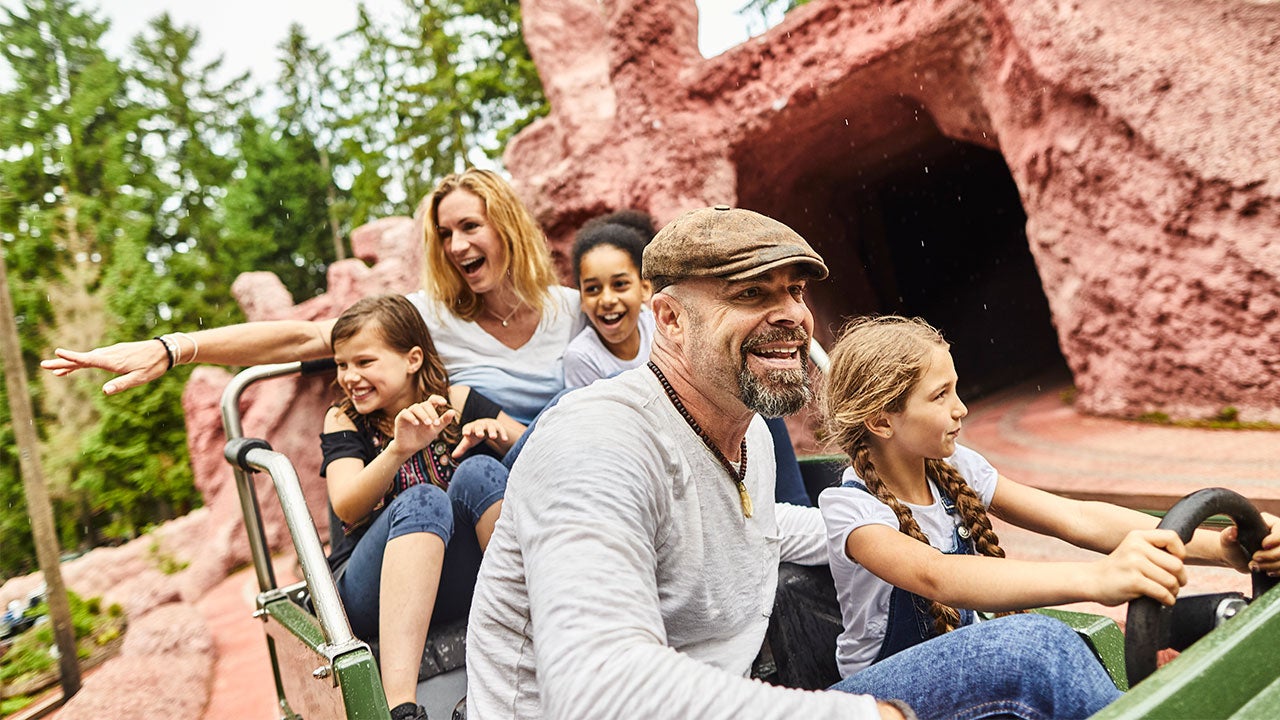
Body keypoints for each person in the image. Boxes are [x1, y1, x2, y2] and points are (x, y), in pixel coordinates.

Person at [465, 205, 1124, 719]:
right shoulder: (596, 438)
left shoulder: (746, 439)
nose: (791, 317)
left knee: (1057, 644)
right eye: (752, 295)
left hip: (736, 692)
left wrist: (888, 530)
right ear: (668, 320)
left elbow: (761, 531)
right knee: (1032, 657)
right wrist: (867, 715)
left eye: (795, 292)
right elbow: (599, 695)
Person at [816, 315, 1280, 680]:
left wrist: (1217, 548)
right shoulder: (852, 512)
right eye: (940, 396)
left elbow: (1076, 519)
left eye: (956, 388)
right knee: (1039, 644)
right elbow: (936, 576)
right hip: (886, 694)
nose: (961, 408)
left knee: (1086, 642)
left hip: (964, 655)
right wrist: (1097, 580)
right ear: (881, 422)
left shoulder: (957, 470)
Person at [41, 168, 584, 425]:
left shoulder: (572, 310)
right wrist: (174, 347)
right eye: (444, 234)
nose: (456, 244)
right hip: (501, 485)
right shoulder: (428, 315)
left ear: (507, 227)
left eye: (470, 226)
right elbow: (306, 336)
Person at [322, 295, 522, 720]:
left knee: (482, 470)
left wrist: (499, 437)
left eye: (364, 362)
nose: (349, 377)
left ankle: (530, 648)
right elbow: (346, 507)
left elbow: (534, 449)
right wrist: (397, 449)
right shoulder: (344, 420)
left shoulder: (457, 400)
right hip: (369, 595)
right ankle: (400, 709)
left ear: (412, 359)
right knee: (424, 500)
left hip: (457, 582)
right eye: (342, 365)